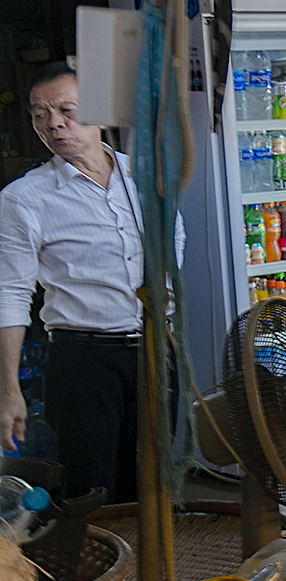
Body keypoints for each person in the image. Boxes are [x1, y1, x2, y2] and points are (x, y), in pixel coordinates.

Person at [0, 62, 180, 504]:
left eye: (66, 110)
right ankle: (108, 574)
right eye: (40, 114)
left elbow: (174, 245)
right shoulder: (25, 199)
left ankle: (151, 575)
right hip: (82, 362)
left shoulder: (147, 178)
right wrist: (8, 390)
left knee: (154, 486)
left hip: (156, 351)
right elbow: (10, 292)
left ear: (100, 112)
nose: (54, 124)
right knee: (92, 492)